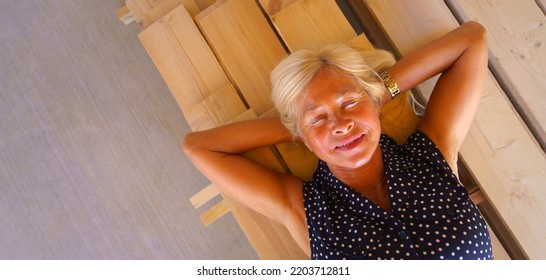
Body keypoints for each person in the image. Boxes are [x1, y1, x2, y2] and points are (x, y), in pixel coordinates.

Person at [183, 21, 491, 260]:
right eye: (318, 118)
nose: (341, 126)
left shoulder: (430, 157)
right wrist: (301, 127)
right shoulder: (307, 212)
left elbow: (471, 39)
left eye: (349, 104)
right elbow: (199, 147)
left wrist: (374, 96)